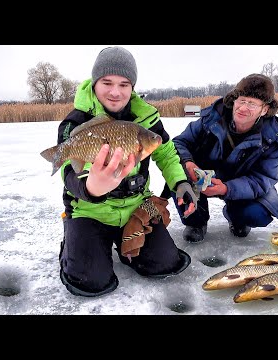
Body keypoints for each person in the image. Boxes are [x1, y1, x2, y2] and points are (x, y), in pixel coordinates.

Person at [56, 46, 198, 297]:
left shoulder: (147, 118)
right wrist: (91, 188)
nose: (115, 92)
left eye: (124, 84)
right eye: (107, 82)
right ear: (95, 82)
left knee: (165, 263)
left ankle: (125, 247)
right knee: (90, 280)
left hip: (136, 207)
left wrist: (181, 183)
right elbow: (68, 172)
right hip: (89, 211)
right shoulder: (75, 122)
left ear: (132, 87)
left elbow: (165, 153)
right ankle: (72, 240)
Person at [164, 73, 278, 243]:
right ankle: (196, 222)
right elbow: (178, 143)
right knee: (176, 173)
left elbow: (263, 179)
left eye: (252, 104)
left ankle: (235, 216)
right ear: (234, 100)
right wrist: (188, 163)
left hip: (238, 185)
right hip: (202, 176)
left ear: (265, 109)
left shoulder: (274, 138)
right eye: (242, 100)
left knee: (258, 214)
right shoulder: (211, 118)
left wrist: (227, 189)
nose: (243, 108)